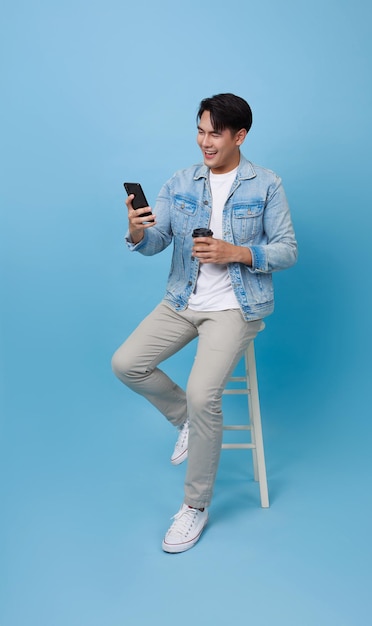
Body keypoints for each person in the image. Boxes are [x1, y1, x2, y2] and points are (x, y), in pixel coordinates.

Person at [111, 93, 297, 553]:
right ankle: (186, 422)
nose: (205, 142)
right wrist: (137, 230)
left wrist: (238, 252)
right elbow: (155, 242)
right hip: (182, 299)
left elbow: (287, 250)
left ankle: (194, 507)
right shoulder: (181, 181)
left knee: (202, 393)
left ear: (240, 136)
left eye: (215, 132)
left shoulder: (266, 184)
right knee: (126, 363)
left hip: (236, 306)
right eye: (200, 130)